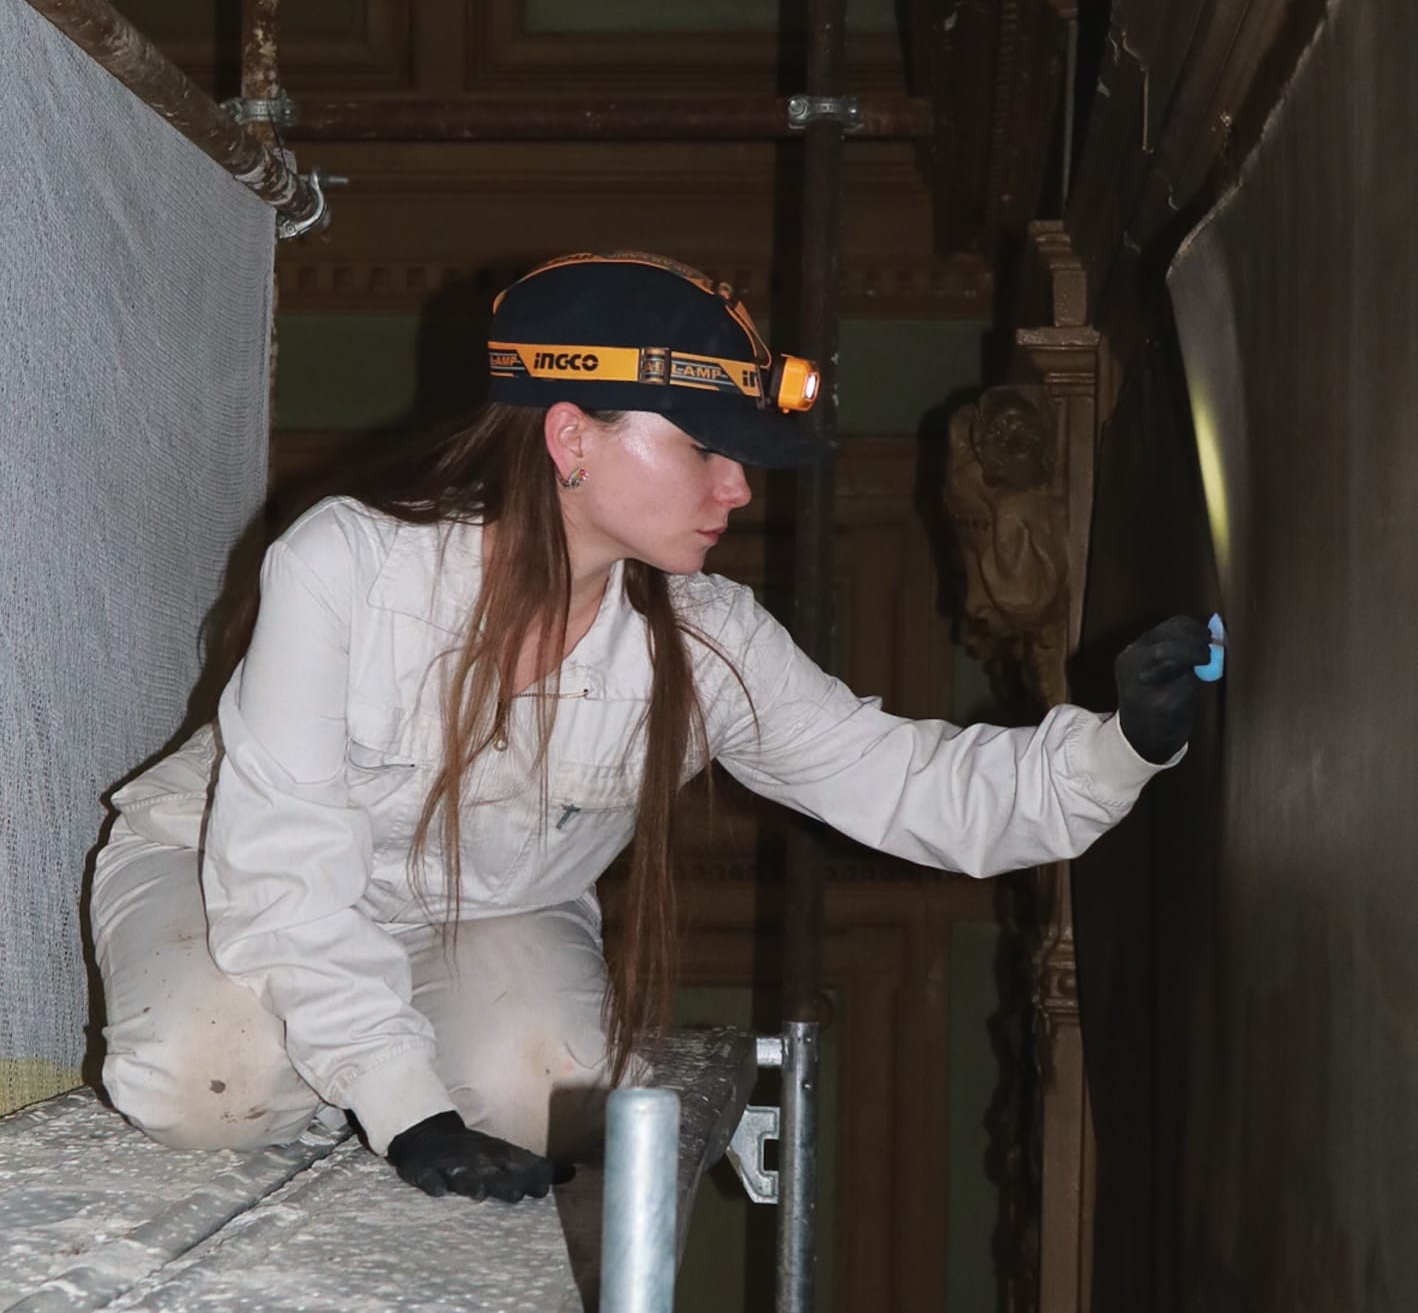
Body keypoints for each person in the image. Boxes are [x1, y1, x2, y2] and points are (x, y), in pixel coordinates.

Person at [91, 252, 1211, 1204]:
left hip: (487, 916)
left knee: (550, 1099)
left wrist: (1122, 744)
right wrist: (402, 1106)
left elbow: (909, 786)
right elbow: (282, 867)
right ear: (570, 436)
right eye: (703, 448)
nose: (737, 487)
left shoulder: (708, 640)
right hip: (224, 867)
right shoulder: (346, 563)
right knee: (208, 1083)